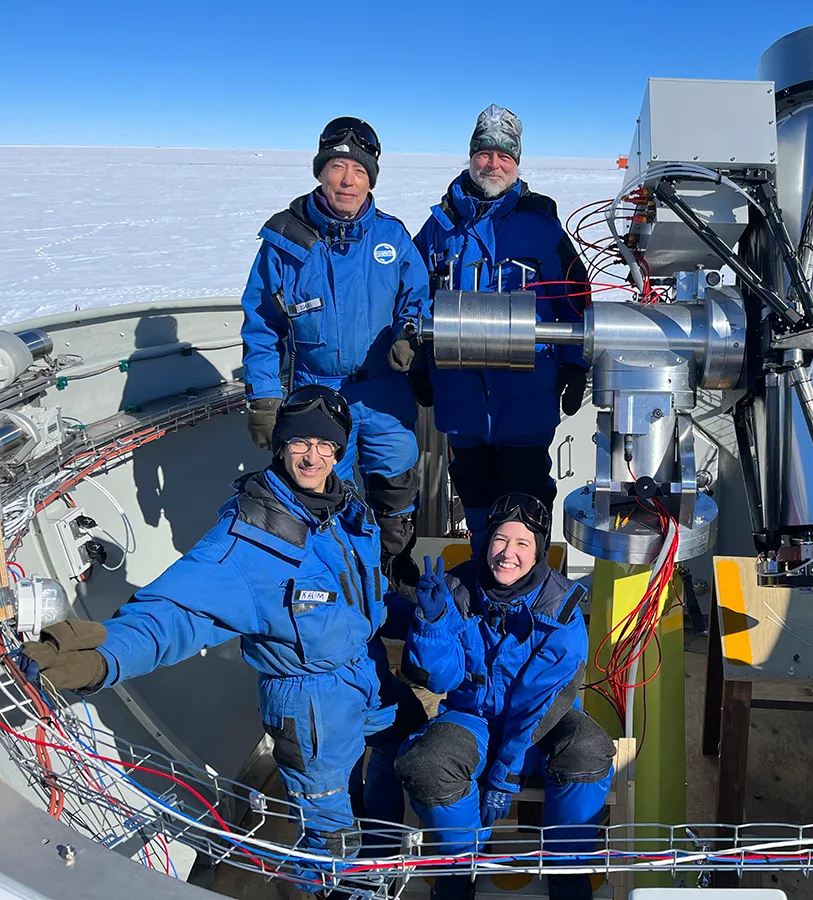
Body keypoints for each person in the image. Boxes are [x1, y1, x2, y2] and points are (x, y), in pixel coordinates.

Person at [21, 386, 427, 880]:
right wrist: (104, 657)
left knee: (406, 736)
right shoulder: (245, 541)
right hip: (311, 707)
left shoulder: (341, 510)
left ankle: (378, 841)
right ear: (281, 445)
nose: (313, 456)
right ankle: (338, 885)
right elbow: (174, 614)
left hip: (362, 672)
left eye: (326, 445)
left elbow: (361, 593)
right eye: (300, 442)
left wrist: (424, 615)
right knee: (331, 840)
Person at [394, 493, 614, 900]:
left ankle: (566, 870)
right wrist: (432, 622)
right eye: (500, 540)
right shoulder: (457, 589)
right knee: (425, 764)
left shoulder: (561, 608)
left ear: (538, 552)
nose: (507, 553)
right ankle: (460, 866)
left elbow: (541, 703)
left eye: (522, 543)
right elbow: (440, 679)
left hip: (541, 727)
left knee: (588, 751)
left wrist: (505, 774)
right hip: (473, 718)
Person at [240, 116, 429, 588]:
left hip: (384, 391)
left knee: (396, 484)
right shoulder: (284, 243)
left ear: (371, 180)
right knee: (318, 490)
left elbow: (416, 298)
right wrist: (264, 397)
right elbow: (262, 326)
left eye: (359, 171)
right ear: (321, 172)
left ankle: (394, 570)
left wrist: (409, 332)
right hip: (316, 392)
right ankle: (335, 582)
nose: (347, 181)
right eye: (338, 168)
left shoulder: (392, 238)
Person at [411, 105, 590, 556]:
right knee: (473, 491)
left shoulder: (542, 227)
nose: (493, 164)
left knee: (526, 500)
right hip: (460, 397)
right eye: (485, 153)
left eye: (504, 156)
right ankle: (481, 570)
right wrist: (416, 361)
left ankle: (527, 579)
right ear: (471, 156)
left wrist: (575, 364)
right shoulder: (439, 228)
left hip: (526, 397)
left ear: (517, 163)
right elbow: (411, 298)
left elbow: (575, 299)